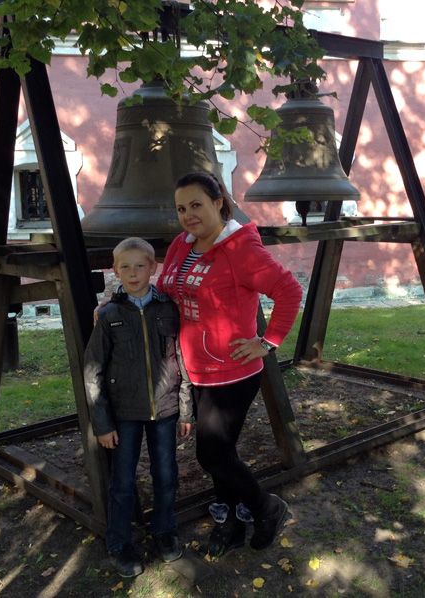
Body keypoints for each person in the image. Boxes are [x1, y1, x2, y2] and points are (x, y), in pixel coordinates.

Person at [158, 171, 303, 558]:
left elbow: (289, 290)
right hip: (194, 368)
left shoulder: (241, 249)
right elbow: (164, 288)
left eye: (196, 205)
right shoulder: (181, 245)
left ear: (219, 202)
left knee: (211, 453)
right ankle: (232, 524)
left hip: (232, 372)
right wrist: (117, 302)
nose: (188, 215)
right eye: (181, 208)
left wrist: (267, 342)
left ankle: (266, 507)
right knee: (221, 452)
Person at [84, 237, 193, 578]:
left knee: (166, 474)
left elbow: (182, 360)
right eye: (125, 267)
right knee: (122, 481)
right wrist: (102, 424)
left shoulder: (168, 309)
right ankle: (119, 542)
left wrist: (186, 409)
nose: (133, 273)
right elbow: (92, 370)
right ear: (115, 271)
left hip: (165, 409)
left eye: (140, 266)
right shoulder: (109, 315)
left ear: (153, 268)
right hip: (124, 413)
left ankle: (164, 530)